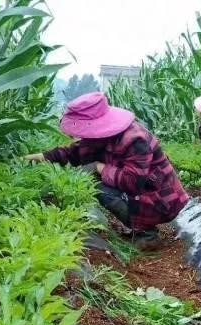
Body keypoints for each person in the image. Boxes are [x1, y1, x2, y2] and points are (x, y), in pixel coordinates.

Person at [25, 92, 189, 251]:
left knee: (97, 185)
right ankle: (140, 228)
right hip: (146, 194)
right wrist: (43, 156)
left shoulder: (134, 140)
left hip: (161, 200)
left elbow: (132, 182)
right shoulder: (101, 137)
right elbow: (74, 153)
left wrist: (99, 167)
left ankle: (147, 234)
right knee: (96, 179)